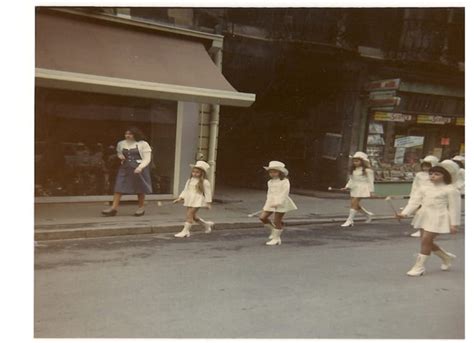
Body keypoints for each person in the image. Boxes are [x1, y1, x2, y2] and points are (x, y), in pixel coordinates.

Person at [397, 160, 461, 277]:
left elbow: (454, 208)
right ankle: (446, 257)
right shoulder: (424, 188)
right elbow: (414, 201)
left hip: (439, 217)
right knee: (426, 241)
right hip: (424, 215)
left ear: (445, 176)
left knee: (426, 240)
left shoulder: (451, 190)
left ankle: (419, 267)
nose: (432, 176)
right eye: (431, 173)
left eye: (437, 174)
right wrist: (404, 213)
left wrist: (454, 224)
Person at [101, 128, 152, 217]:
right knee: (119, 186)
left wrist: (140, 167)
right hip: (125, 167)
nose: (127, 136)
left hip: (138, 167)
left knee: (140, 188)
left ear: (136, 134)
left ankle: (141, 208)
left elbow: (147, 158)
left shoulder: (143, 144)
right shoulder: (121, 143)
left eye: (130, 134)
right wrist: (120, 156)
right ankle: (114, 208)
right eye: (126, 134)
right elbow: (119, 152)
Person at [259, 161, 297, 246]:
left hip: (282, 202)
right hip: (271, 202)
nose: (272, 174)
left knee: (277, 221)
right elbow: (269, 194)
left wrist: (278, 202)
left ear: (280, 172)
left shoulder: (285, 181)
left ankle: (276, 239)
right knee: (262, 217)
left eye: (275, 172)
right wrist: (267, 204)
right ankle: (274, 230)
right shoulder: (270, 182)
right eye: (271, 172)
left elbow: (284, 193)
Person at [173, 161, 214, 238]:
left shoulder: (204, 182)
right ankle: (206, 224)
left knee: (189, 215)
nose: (195, 174)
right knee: (193, 217)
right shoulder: (190, 180)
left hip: (197, 200)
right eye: (193, 172)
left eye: (197, 172)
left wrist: (208, 203)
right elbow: (185, 190)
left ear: (202, 173)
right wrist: (180, 198)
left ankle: (185, 231)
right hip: (189, 199)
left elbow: (208, 193)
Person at [407, 155, 439, 238]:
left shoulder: (437, 175)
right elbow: (415, 185)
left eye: (428, 166)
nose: (425, 168)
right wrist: (412, 195)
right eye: (424, 166)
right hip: (420, 196)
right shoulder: (419, 175)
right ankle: (422, 229)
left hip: (432, 197)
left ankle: (426, 230)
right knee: (419, 213)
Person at [340, 152, 375, 227]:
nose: (355, 162)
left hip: (363, 188)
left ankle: (349, 220)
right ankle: (368, 214)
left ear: (362, 161)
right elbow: (351, 180)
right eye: (354, 161)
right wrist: (347, 187)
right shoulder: (353, 169)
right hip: (355, 188)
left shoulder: (368, 170)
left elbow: (370, 181)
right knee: (354, 204)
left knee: (354, 202)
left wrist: (371, 191)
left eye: (357, 161)